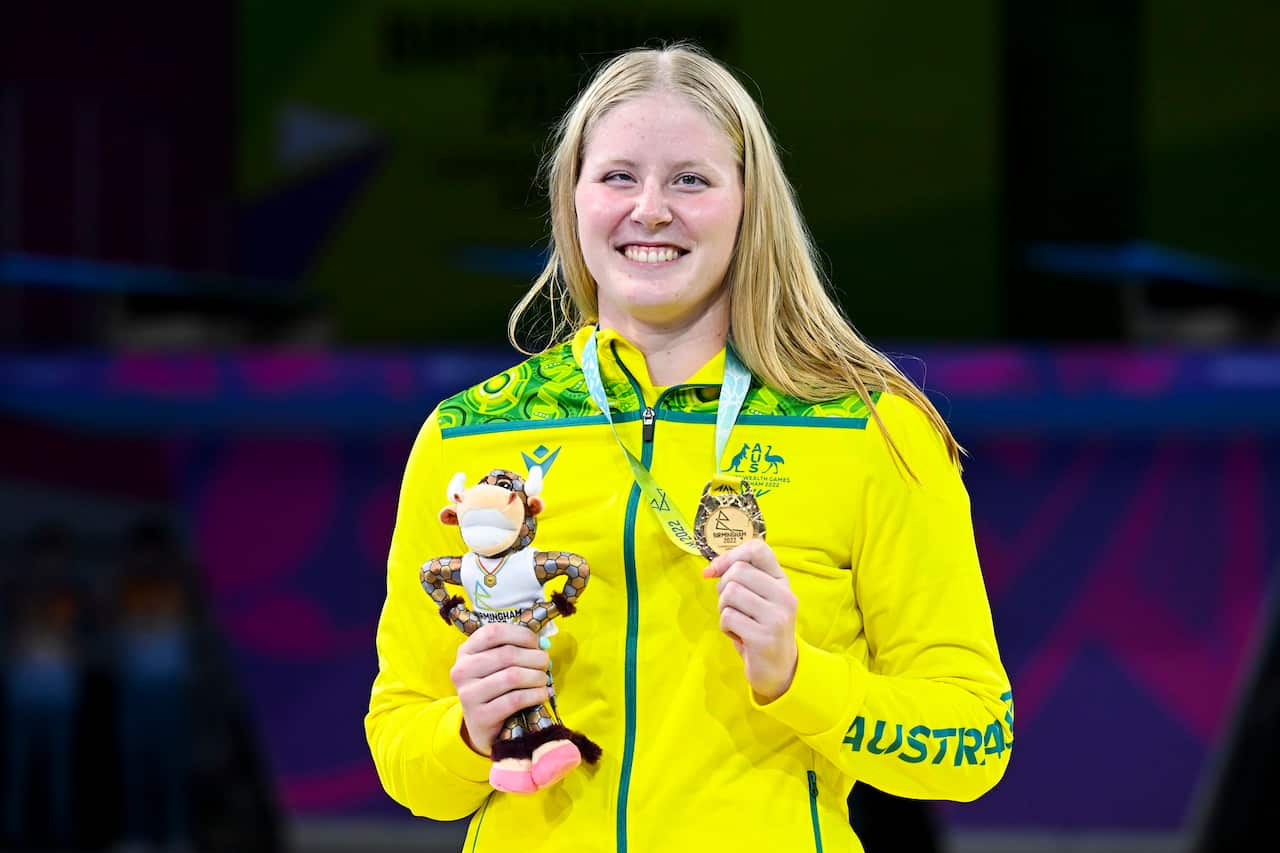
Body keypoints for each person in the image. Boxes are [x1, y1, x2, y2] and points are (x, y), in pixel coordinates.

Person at [366, 42, 1013, 853]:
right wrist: (468, 731)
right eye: (617, 177)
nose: (650, 209)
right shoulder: (468, 435)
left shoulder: (868, 430)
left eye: (691, 180)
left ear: (749, 203)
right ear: (572, 201)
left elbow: (973, 742)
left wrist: (797, 676)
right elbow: (401, 754)